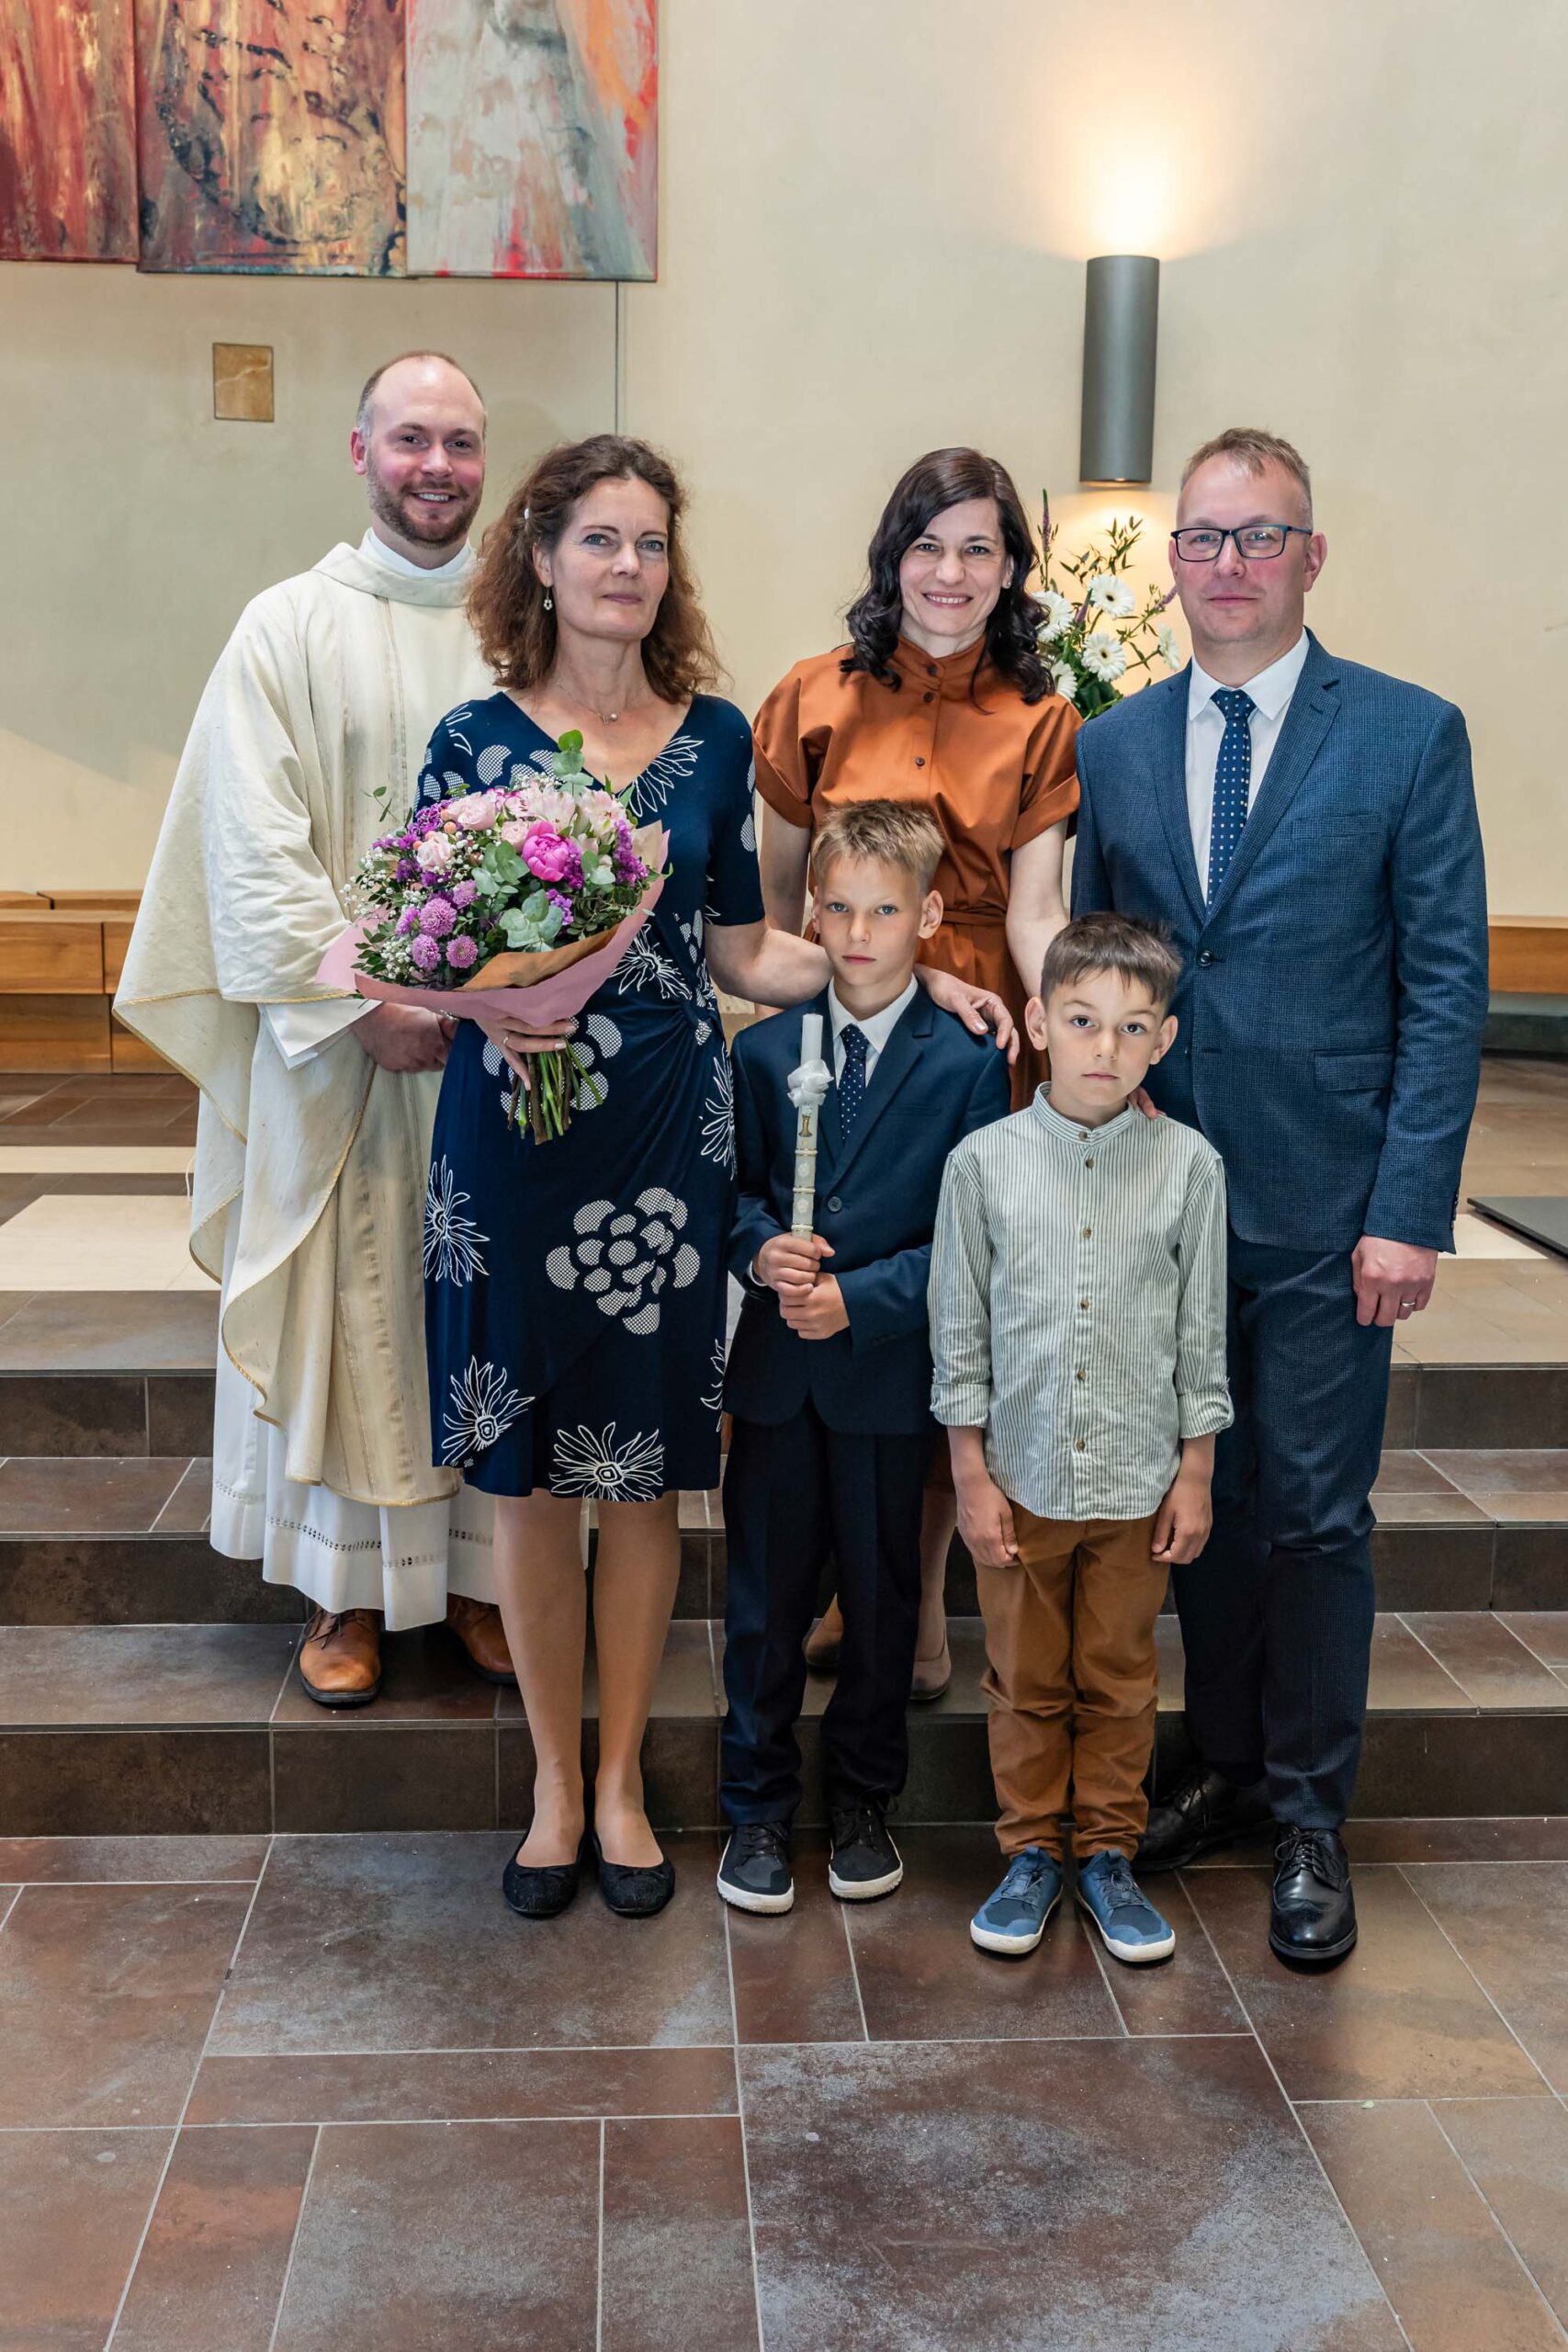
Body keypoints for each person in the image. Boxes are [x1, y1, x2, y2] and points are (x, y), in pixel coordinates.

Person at [419, 435, 1014, 1924]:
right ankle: (555, 1789)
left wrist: (914, 980)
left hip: (664, 1152)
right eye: (598, 539)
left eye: (649, 543)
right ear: (539, 557)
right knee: (531, 1485)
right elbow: (428, 962)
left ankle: (626, 1785)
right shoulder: (471, 742)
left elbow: (743, 948)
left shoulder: (712, 736)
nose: (627, 567)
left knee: (639, 1482)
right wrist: (483, 1003)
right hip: (515, 1144)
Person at [1073, 426, 1489, 1964]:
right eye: (1202, 537)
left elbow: (1443, 988)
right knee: (1206, 1506)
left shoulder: (1405, 734)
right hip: (1166, 1206)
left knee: (1310, 1515)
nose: (1229, 564)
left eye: (1260, 536)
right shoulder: (1113, 746)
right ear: (1169, 562)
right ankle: (1230, 1768)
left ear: (1310, 556)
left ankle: (1311, 1813)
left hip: (1330, 1207)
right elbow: (1103, 971)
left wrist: (1408, 1208)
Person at [116, 352, 517, 1706]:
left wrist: (510, 992)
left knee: (478, 1301)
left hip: (496, 1053)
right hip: (340, 1051)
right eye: (410, 440)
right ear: (360, 452)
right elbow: (251, 846)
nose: (436, 468)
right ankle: (344, 1590)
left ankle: (481, 1578)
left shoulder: (525, 629)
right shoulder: (285, 625)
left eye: (459, 442)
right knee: (353, 1303)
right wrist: (361, 1003)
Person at [754, 447, 1078, 1695]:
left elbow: (1037, 911)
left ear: (1009, 570)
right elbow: (773, 918)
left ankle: (920, 1602)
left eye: (978, 549)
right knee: (842, 1291)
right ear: (891, 558)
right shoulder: (809, 697)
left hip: (980, 1043)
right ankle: (838, 1581)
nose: (951, 572)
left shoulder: (1042, 720)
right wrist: (893, 978)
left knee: (952, 1321)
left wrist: (1066, 1033)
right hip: (845, 1024)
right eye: (928, 546)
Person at [715, 802, 1011, 1917]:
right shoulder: (760, 1052)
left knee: (884, 1606)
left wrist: (863, 1299)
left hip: (888, 1377)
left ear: (928, 918)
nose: (856, 933)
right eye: (836, 908)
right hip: (779, 1379)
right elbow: (732, 1195)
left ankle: (862, 1800)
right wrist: (760, 1251)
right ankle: (754, 1805)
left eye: (884, 911)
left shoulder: (967, 1065)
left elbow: (972, 1236)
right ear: (811, 913)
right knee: (764, 1602)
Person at [931, 914, 1230, 1964]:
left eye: (1132, 1027)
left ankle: (1106, 1850)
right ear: (1037, 1020)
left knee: (1119, 1674)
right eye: (1082, 1020)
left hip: (1139, 1483)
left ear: (1165, 1038)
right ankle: (1029, 1853)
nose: (1106, 1046)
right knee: (1024, 1676)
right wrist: (970, 1474)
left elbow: (1201, 1335)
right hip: (1021, 1477)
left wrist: (1195, 1471)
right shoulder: (981, 1165)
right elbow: (960, 1334)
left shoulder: (1190, 1166)